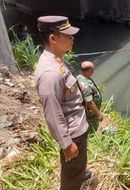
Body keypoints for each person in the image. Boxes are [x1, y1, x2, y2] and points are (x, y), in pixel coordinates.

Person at [34, 16, 91, 190]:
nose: (72, 38)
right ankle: (75, 180)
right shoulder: (50, 73)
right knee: (70, 176)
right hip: (72, 133)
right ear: (53, 38)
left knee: (78, 164)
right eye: (68, 36)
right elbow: (52, 112)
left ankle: (80, 173)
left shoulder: (57, 58)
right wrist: (66, 144)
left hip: (77, 127)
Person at [77, 61, 103, 132]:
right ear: (89, 70)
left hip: (87, 111)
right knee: (92, 128)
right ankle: (91, 133)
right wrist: (98, 114)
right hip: (90, 114)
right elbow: (89, 102)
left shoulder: (80, 77)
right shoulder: (85, 85)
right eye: (93, 69)